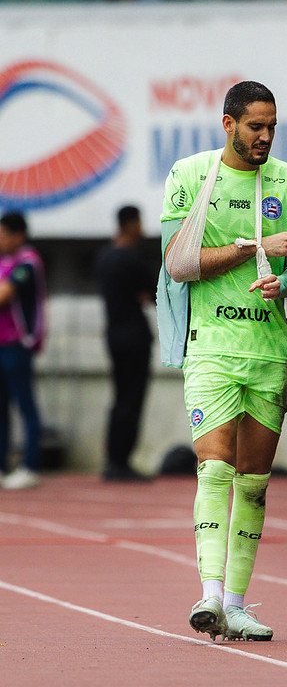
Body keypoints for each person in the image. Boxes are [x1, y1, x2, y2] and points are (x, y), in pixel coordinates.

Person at [159, 80, 287, 642]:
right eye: (255, 126)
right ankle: (207, 593)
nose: (265, 137)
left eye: (272, 126)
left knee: (253, 481)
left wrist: (285, 280)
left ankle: (237, 603)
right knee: (216, 468)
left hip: (269, 351)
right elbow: (179, 262)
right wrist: (254, 248)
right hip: (212, 348)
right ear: (229, 124)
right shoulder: (192, 175)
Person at [96, 205, 156, 481]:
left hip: (113, 335)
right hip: (134, 337)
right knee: (132, 400)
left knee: (119, 398)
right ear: (130, 224)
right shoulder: (131, 259)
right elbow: (155, 291)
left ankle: (113, 459)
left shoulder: (105, 257)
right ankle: (121, 462)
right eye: (139, 222)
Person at [0, 212, 47, 491]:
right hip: (1, 344)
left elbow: (5, 295)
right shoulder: (5, 262)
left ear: (19, 236)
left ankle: (31, 465)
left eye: (4, 235)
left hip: (18, 344)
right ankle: (2, 465)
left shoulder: (27, 262)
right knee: (1, 408)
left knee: (25, 405)